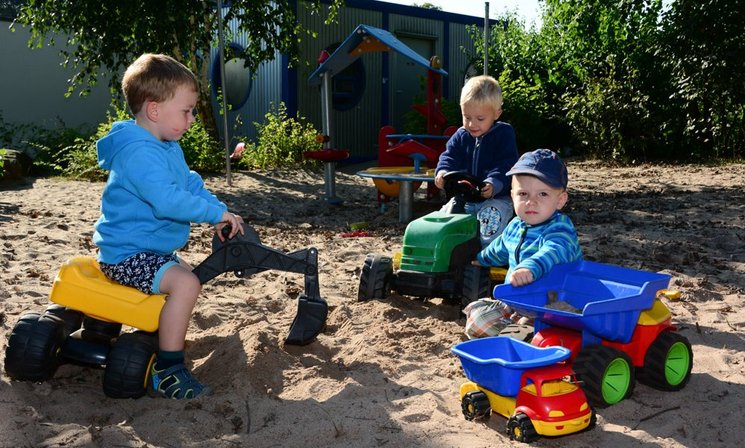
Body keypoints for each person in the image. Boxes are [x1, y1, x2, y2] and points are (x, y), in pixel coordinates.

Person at [93, 53, 244, 399]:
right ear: (155, 110)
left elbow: (188, 184)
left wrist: (220, 210)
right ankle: (169, 370)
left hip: (149, 248)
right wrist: (211, 216)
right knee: (186, 284)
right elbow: (167, 200)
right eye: (186, 111)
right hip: (126, 253)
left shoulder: (167, 145)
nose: (191, 119)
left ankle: (163, 341)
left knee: (189, 276)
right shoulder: (139, 153)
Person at [463, 149, 582, 338]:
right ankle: (519, 332)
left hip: (550, 305)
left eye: (542, 194)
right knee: (477, 316)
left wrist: (530, 268)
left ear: (560, 200)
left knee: (544, 323)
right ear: (512, 196)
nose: (531, 202)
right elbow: (500, 248)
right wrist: (480, 259)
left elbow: (553, 251)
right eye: (523, 193)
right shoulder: (515, 225)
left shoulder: (560, 228)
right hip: (516, 300)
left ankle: (527, 333)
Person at [434, 75, 519, 246]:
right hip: (465, 198)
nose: (472, 124)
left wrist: (493, 184)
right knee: (443, 219)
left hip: (496, 198)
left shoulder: (503, 134)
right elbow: (449, 156)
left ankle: (488, 255)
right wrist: (443, 172)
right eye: (467, 117)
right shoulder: (461, 136)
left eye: (480, 119)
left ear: (496, 114)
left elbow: (506, 163)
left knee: (490, 221)